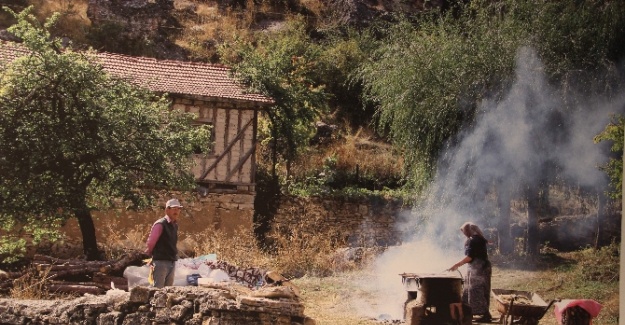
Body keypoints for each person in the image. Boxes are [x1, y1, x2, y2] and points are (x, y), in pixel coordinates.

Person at [448, 222, 492, 323]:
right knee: (472, 289)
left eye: (464, 232)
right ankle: (471, 313)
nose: (464, 234)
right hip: (481, 266)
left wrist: (456, 265)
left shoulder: (474, 240)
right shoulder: (478, 238)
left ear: (468, 231)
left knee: (476, 290)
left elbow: (470, 257)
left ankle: (484, 314)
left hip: (479, 267)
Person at [145, 198, 183, 288]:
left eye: (178, 209)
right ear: (167, 210)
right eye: (174, 209)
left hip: (171, 261)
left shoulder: (175, 225)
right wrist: (148, 254)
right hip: (160, 261)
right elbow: (151, 242)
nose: (176, 212)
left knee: (168, 290)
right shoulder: (160, 224)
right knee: (158, 290)